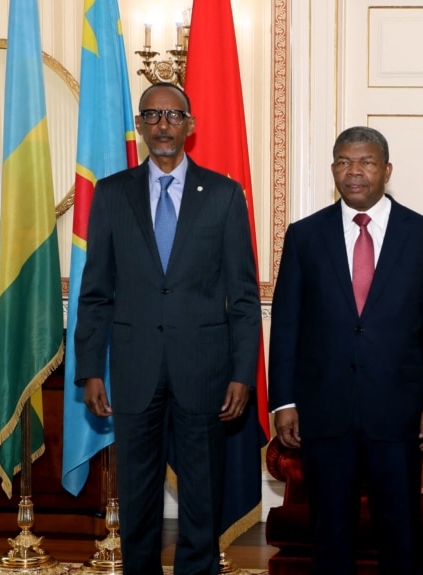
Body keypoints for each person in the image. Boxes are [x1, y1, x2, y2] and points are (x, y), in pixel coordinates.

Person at [75, 82, 261, 575]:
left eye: (174, 116)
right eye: (153, 116)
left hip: (205, 370)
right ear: (139, 125)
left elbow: (243, 297)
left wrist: (243, 373)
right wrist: (91, 368)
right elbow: (94, 291)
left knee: (202, 499)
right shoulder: (112, 194)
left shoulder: (223, 196)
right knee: (138, 500)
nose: (163, 126)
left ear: (191, 126)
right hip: (134, 370)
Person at [268, 126, 423, 575]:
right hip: (324, 412)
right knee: (330, 535)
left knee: (401, 533)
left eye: (366, 162)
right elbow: (287, 324)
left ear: (386, 170)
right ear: (333, 168)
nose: (354, 172)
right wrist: (284, 401)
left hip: (399, 413)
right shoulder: (304, 236)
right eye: (344, 162)